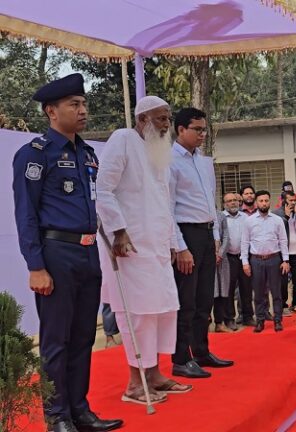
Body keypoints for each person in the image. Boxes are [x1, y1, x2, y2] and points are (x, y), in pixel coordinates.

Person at [12, 73, 124, 432]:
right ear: (51, 111)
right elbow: (25, 213)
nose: (83, 110)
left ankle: (80, 410)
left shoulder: (88, 154)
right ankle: (57, 415)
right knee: (56, 340)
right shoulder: (35, 155)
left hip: (89, 255)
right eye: (74, 105)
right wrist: (35, 266)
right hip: (56, 253)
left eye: (84, 104)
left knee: (84, 337)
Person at [97, 95, 192, 404]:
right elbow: (103, 190)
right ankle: (134, 385)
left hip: (158, 250)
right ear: (141, 120)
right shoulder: (123, 139)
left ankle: (154, 375)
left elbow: (164, 206)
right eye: (161, 119)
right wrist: (118, 232)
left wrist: (175, 244)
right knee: (137, 314)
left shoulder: (159, 154)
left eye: (168, 118)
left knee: (162, 311)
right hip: (129, 247)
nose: (167, 125)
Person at [169, 108, 233, 378]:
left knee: (205, 298)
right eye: (197, 129)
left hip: (207, 234)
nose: (202, 134)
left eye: (204, 129)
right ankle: (181, 358)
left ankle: (202, 351)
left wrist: (216, 237)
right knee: (187, 301)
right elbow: (167, 208)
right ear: (180, 129)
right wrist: (180, 246)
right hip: (187, 234)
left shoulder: (205, 162)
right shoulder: (169, 161)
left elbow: (211, 203)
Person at [241, 190, 290, 332]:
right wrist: (245, 262)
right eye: (261, 201)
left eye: (266, 201)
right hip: (256, 260)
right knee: (258, 293)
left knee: (276, 292)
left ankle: (277, 320)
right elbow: (245, 242)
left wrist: (285, 260)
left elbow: (283, 240)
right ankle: (260, 320)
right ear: (256, 203)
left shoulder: (277, 220)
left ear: (270, 201)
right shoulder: (249, 221)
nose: (263, 203)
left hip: (274, 259)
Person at [214, 193, 251, 331]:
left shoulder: (245, 217)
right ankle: (229, 319)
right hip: (227, 258)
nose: (233, 203)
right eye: (229, 201)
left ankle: (247, 316)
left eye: (235, 200)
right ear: (224, 203)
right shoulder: (221, 217)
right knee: (228, 290)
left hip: (244, 257)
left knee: (246, 288)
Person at [272, 191, 296, 315]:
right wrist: (286, 217)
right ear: (283, 200)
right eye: (290, 200)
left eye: (294, 200)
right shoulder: (276, 214)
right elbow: (277, 231)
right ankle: (283, 305)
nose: (293, 202)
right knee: (282, 281)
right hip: (283, 253)